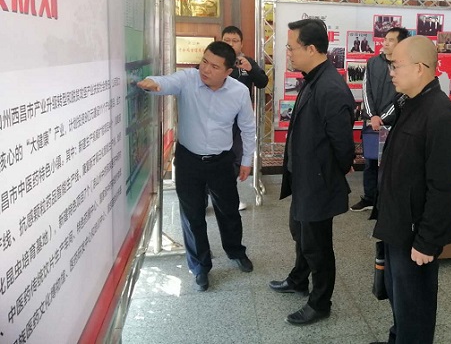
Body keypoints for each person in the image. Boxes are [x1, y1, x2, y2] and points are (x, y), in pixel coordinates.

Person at [137, 41, 256, 292]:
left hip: (221, 162)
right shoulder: (188, 79)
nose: (205, 69)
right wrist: (151, 83)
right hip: (189, 160)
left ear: (228, 71)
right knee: (192, 216)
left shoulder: (239, 92)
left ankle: (235, 250)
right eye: (204, 61)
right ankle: (200, 266)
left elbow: (247, 127)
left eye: (214, 66)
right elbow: (165, 83)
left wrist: (247, 160)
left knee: (229, 211)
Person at [372, 35, 451, 344]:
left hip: (416, 234)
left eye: (396, 66)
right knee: (398, 297)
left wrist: (427, 241)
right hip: (397, 224)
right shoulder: (410, 103)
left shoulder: (441, 115)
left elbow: (444, 187)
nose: (391, 73)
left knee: (415, 307)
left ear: (420, 68)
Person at [268, 19, 355, 326]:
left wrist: (324, 175)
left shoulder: (330, 87)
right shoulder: (313, 78)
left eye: (292, 47)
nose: (288, 53)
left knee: (317, 246)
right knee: (300, 232)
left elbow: (344, 147)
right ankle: (298, 279)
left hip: (318, 183)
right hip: (305, 178)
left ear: (311, 49)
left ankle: (320, 303)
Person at [351, 27, 409, 213]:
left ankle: (386, 201)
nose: (386, 43)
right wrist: (372, 115)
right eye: (385, 39)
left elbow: (402, 96)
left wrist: (382, 118)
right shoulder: (373, 62)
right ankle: (369, 198)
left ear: (401, 44)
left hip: (392, 124)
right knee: (370, 162)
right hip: (372, 123)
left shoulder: (405, 65)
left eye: (391, 40)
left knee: (390, 164)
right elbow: (366, 89)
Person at [222, 25, 268, 210]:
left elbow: (262, 82)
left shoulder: (246, 62)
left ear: (241, 44)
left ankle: (229, 197)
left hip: (239, 122)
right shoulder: (214, 60)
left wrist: (251, 69)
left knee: (235, 159)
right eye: (227, 40)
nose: (231, 44)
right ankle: (208, 196)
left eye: (235, 41)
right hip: (215, 121)